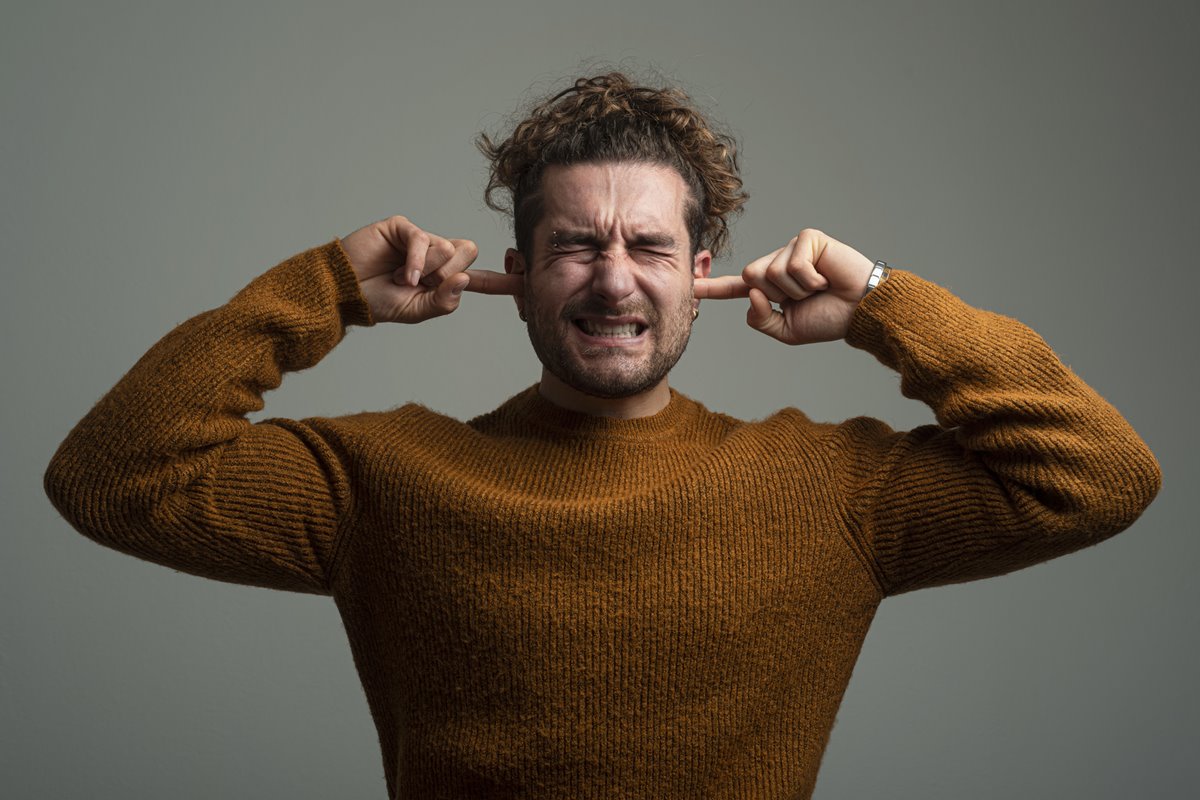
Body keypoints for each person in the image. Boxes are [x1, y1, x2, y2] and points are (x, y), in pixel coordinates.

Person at [43, 72, 1162, 799]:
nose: (614, 277)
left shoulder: (828, 487)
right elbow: (109, 475)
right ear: (519, 276)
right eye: (576, 245)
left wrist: (881, 304)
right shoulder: (383, 479)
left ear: (703, 272)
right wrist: (325, 285)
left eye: (650, 246)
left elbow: (1100, 474)